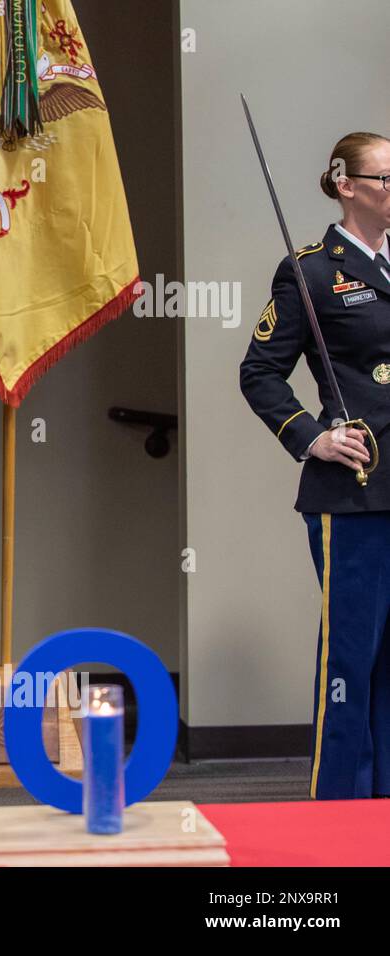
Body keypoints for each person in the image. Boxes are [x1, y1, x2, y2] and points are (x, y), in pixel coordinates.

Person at [240, 131, 390, 800]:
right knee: (351, 658)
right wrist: (313, 438)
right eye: (385, 178)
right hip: (353, 492)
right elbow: (260, 373)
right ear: (347, 185)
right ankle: (339, 810)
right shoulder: (311, 270)